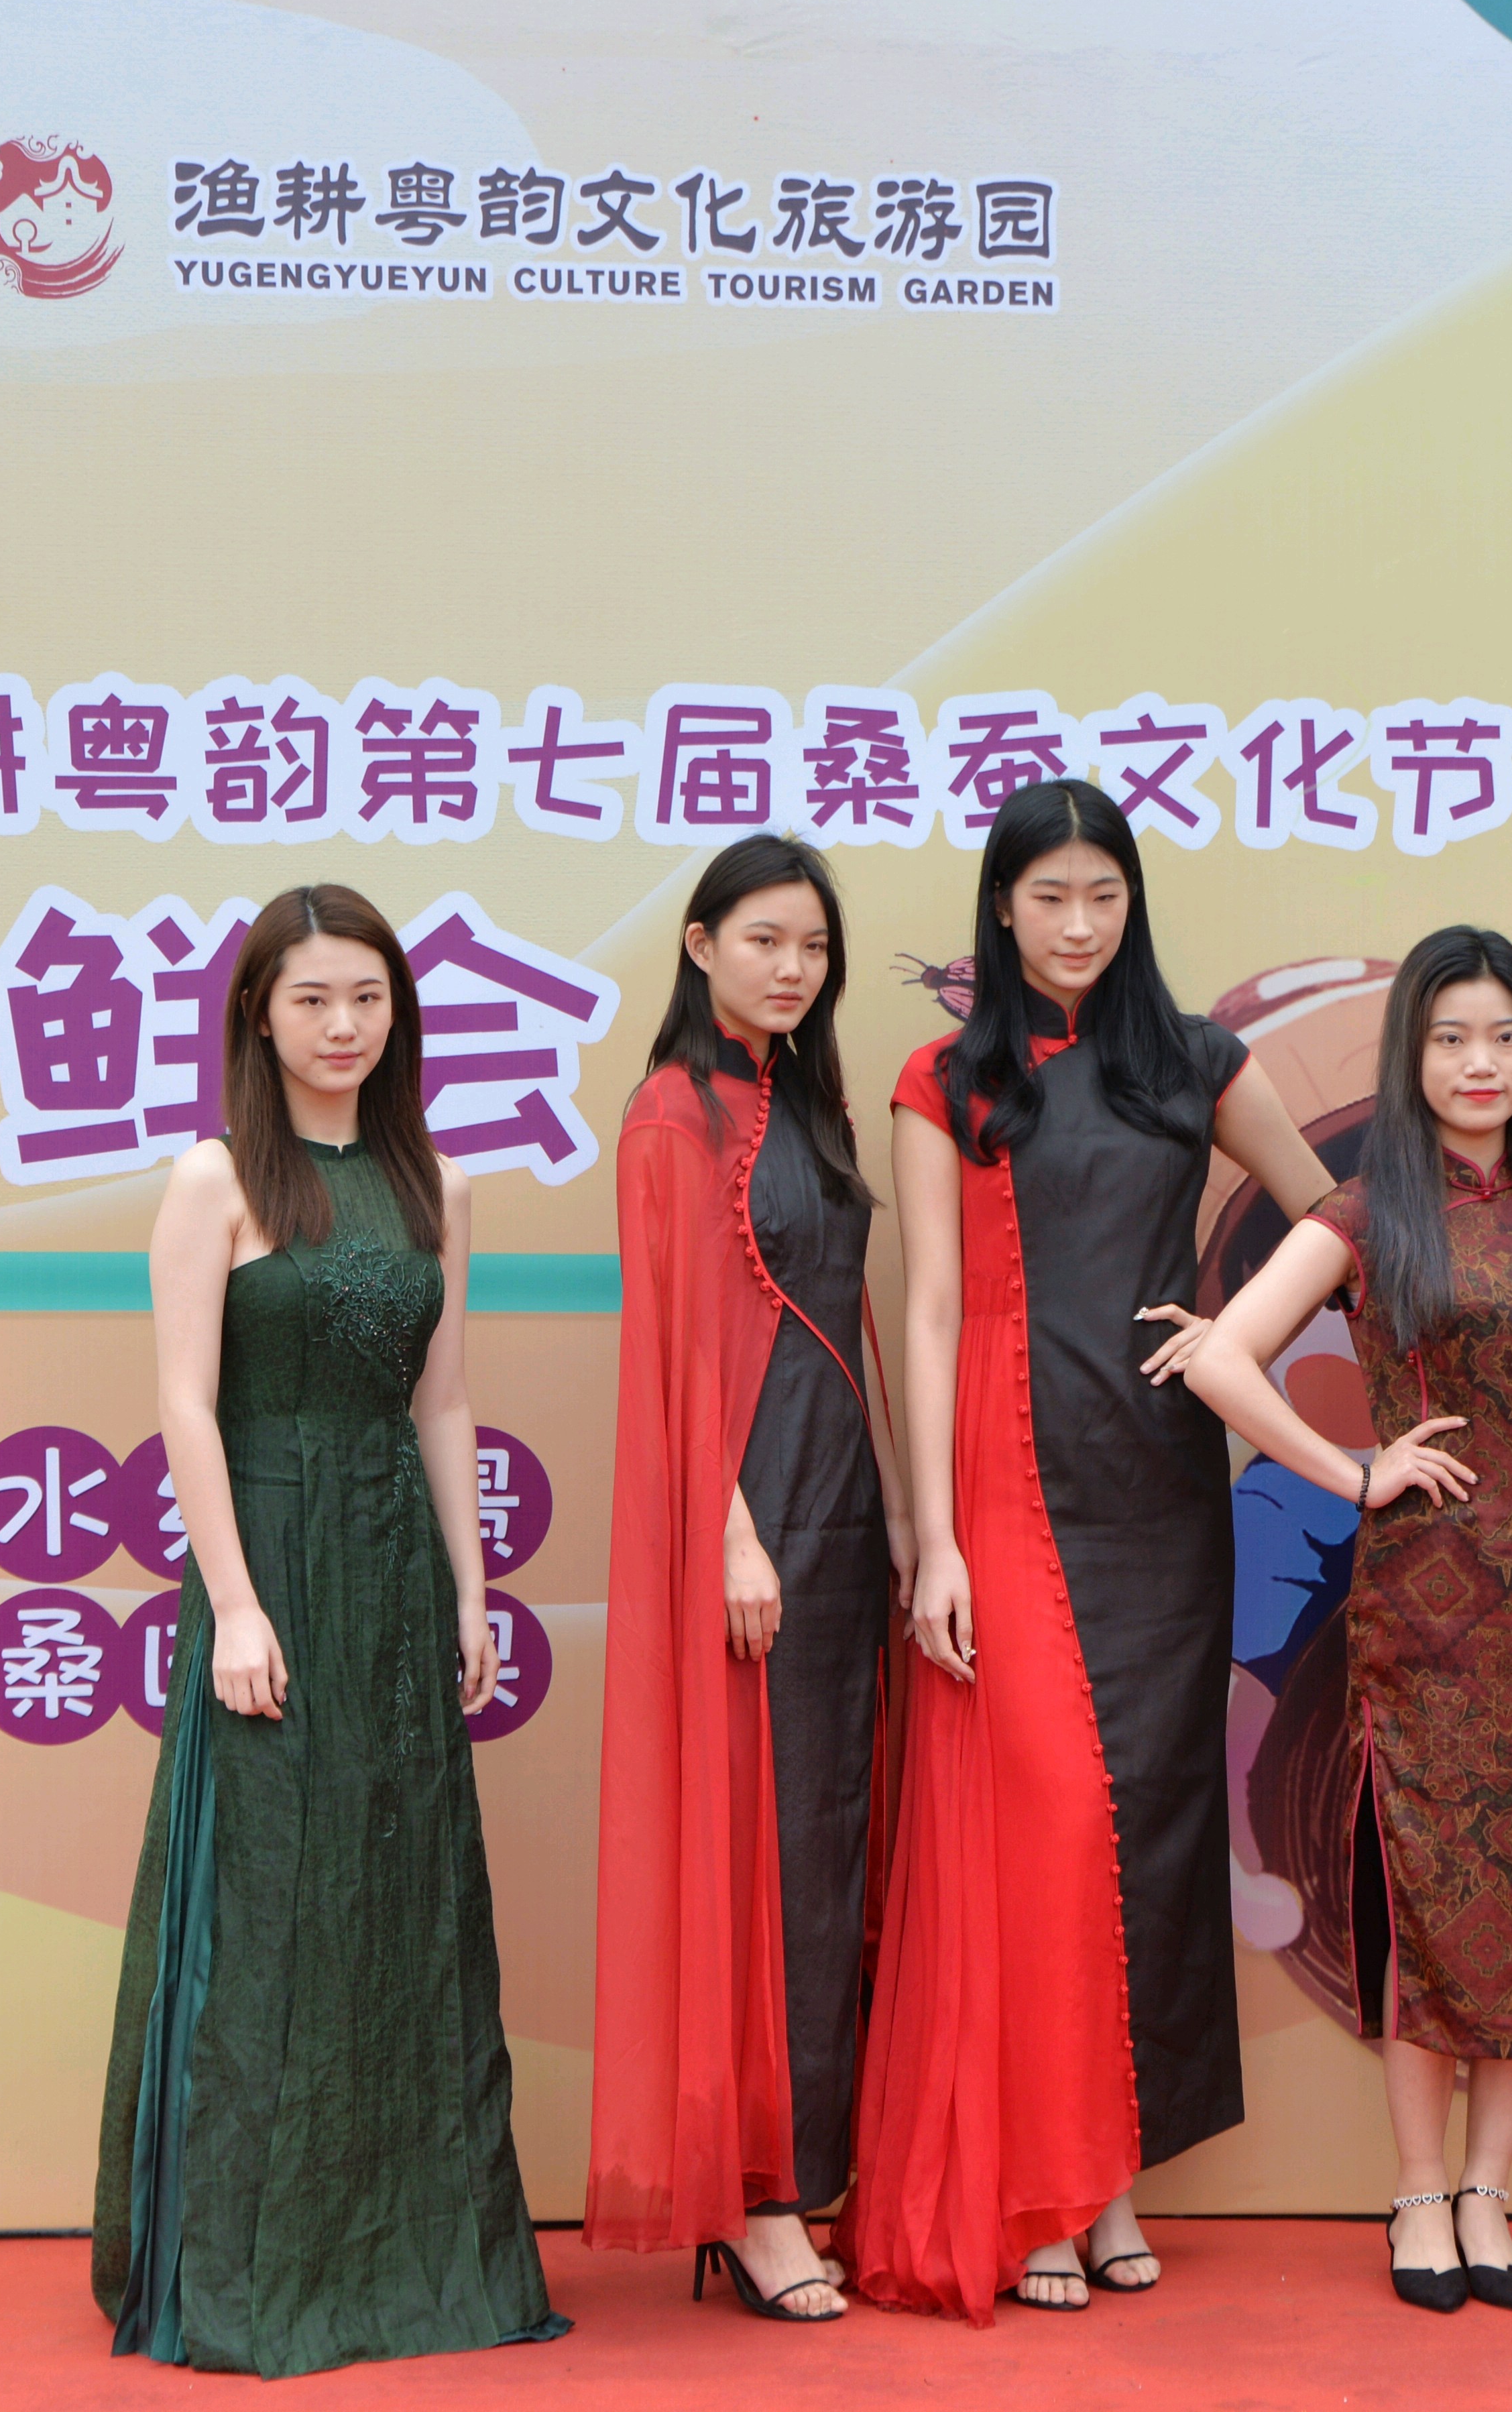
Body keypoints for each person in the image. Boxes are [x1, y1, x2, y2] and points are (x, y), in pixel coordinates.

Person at [846, 779, 1337, 2322]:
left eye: (1102, 896)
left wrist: (1234, 1335)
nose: (1076, 925)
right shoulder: (947, 1078)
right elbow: (928, 1311)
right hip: (1004, 1478)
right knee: (1044, 1834)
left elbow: (1332, 1215)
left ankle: (1109, 2178)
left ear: (1131, 904)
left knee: (1151, 1835)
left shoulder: (1195, 1062)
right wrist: (932, 1540)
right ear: (1001, 906)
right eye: (1048, 896)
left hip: (1164, 1497)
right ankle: (1038, 2188)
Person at [95, 884, 569, 2374]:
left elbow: (444, 1399)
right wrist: (235, 1604)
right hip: (273, 1557)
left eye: (367, 997)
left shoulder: (440, 1182)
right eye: (311, 998)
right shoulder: (215, 1178)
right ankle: (248, 2271)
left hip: (394, 1569)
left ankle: (409, 2261)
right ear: (257, 1013)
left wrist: (472, 1586)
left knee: (403, 1895)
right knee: (273, 1900)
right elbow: (184, 1406)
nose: (342, 1026)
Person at [1182, 927, 1512, 2315]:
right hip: (1426, 1615)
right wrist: (1354, 1472)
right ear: (1412, 1057)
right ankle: (1419, 2193)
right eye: (1450, 1039)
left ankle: (1492, 2189)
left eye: (1503, 1036)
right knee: (1429, 1899)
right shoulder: (1362, 1210)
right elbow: (1220, 1359)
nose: (1479, 1063)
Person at [591, 838, 913, 2323]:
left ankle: (816, 2174)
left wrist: (902, 1517)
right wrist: (725, 1531)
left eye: (814, 948)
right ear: (700, 944)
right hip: (754, 1519)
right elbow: (669, 1347)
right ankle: (760, 2198)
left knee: (831, 1847)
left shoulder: (811, 1102)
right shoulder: (672, 1111)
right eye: (766, 941)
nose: (792, 969)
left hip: (845, 1514)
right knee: (760, 1854)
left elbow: (848, 1315)